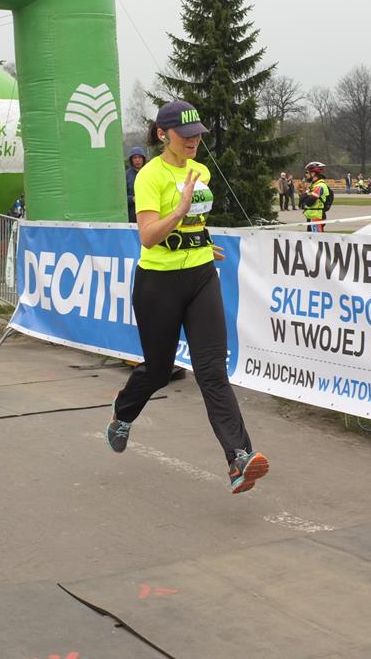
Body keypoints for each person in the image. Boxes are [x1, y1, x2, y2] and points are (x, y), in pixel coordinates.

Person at [105, 100, 269, 494]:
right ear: (164, 135)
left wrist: (200, 242)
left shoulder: (201, 171)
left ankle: (239, 458)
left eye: (198, 134)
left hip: (200, 277)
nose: (194, 141)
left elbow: (196, 223)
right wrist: (179, 211)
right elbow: (148, 236)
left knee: (212, 369)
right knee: (159, 370)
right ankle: (123, 411)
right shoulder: (149, 176)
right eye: (186, 135)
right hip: (158, 283)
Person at [301, 161, 331, 233]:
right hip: (312, 216)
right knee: (311, 238)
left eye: (307, 172)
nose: (305, 175)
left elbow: (309, 202)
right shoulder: (314, 185)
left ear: (313, 173)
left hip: (317, 217)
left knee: (317, 238)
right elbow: (302, 198)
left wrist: (305, 196)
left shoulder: (319, 186)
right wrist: (305, 196)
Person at [124, 147, 147, 223]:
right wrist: (132, 199)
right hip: (132, 216)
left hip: (148, 212)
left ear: (143, 159)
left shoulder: (149, 172)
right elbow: (121, 198)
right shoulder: (126, 175)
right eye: (135, 158)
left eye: (140, 157)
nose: (137, 160)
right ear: (131, 160)